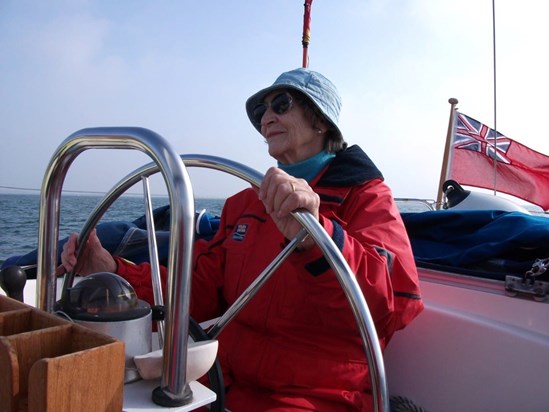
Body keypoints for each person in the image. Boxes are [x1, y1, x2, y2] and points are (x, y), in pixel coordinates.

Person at [60, 68, 424, 411]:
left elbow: (389, 304)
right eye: (261, 112)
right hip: (224, 380)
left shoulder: (366, 197)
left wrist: (317, 236)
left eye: (281, 105)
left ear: (320, 121)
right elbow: (197, 291)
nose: (266, 118)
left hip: (316, 393)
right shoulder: (246, 204)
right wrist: (114, 273)